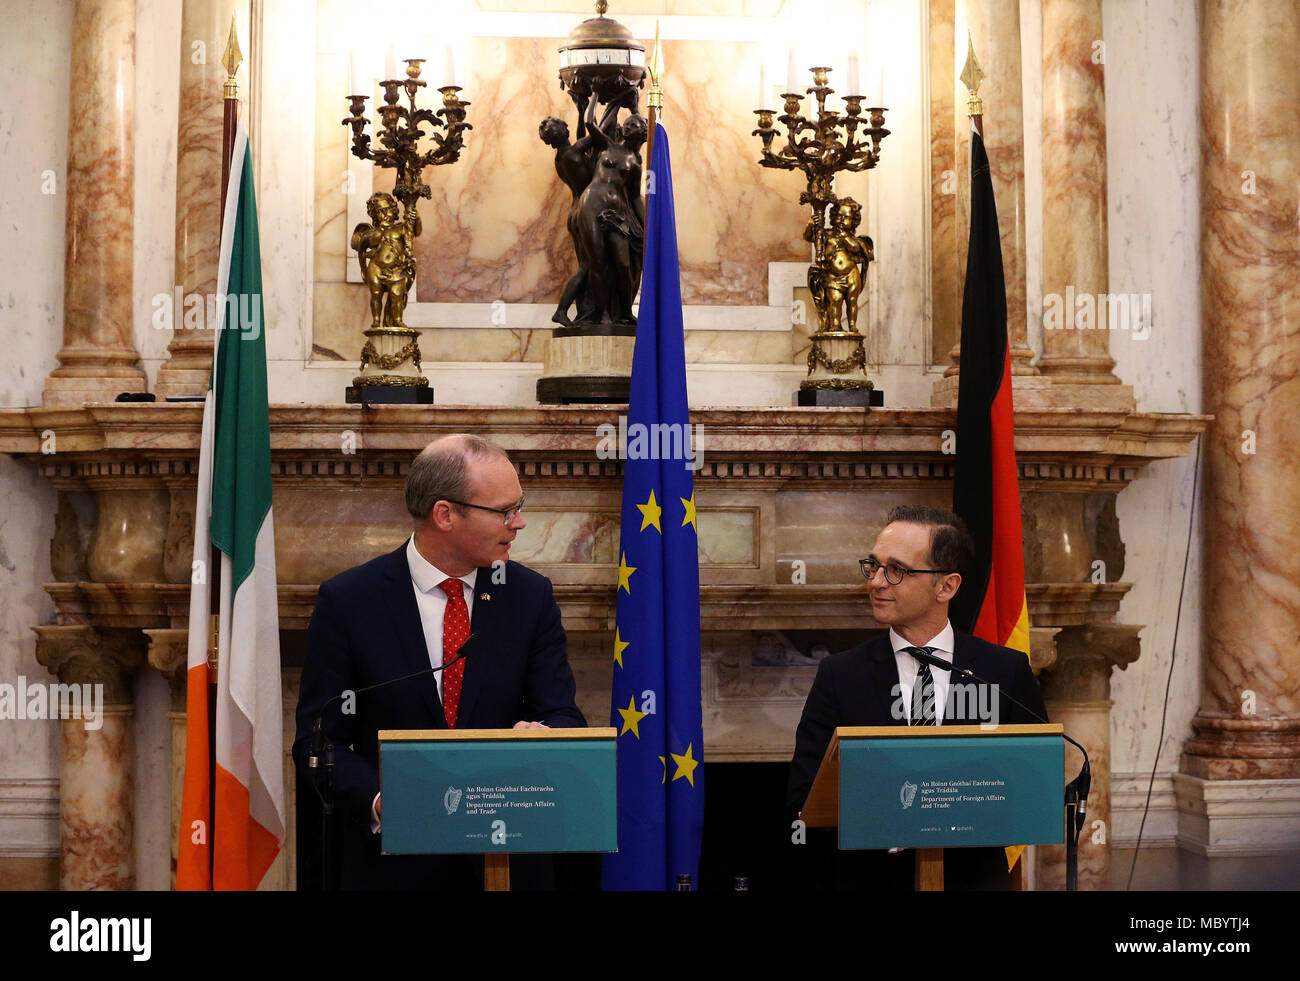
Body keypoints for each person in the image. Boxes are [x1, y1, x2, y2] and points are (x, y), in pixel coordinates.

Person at [293, 434, 586, 890]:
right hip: (393, 868)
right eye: (505, 510)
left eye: (519, 506)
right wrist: (382, 801)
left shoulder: (528, 597)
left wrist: (545, 736)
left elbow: (563, 714)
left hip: (505, 860)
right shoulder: (350, 601)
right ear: (445, 514)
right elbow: (317, 743)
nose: (520, 522)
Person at [787, 504, 1047, 890]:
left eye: (896, 570)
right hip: (872, 881)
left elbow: (1034, 783)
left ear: (947, 586)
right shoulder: (840, 675)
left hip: (973, 880)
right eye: (873, 566)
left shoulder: (1004, 671)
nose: (876, 581)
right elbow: (804, 792)